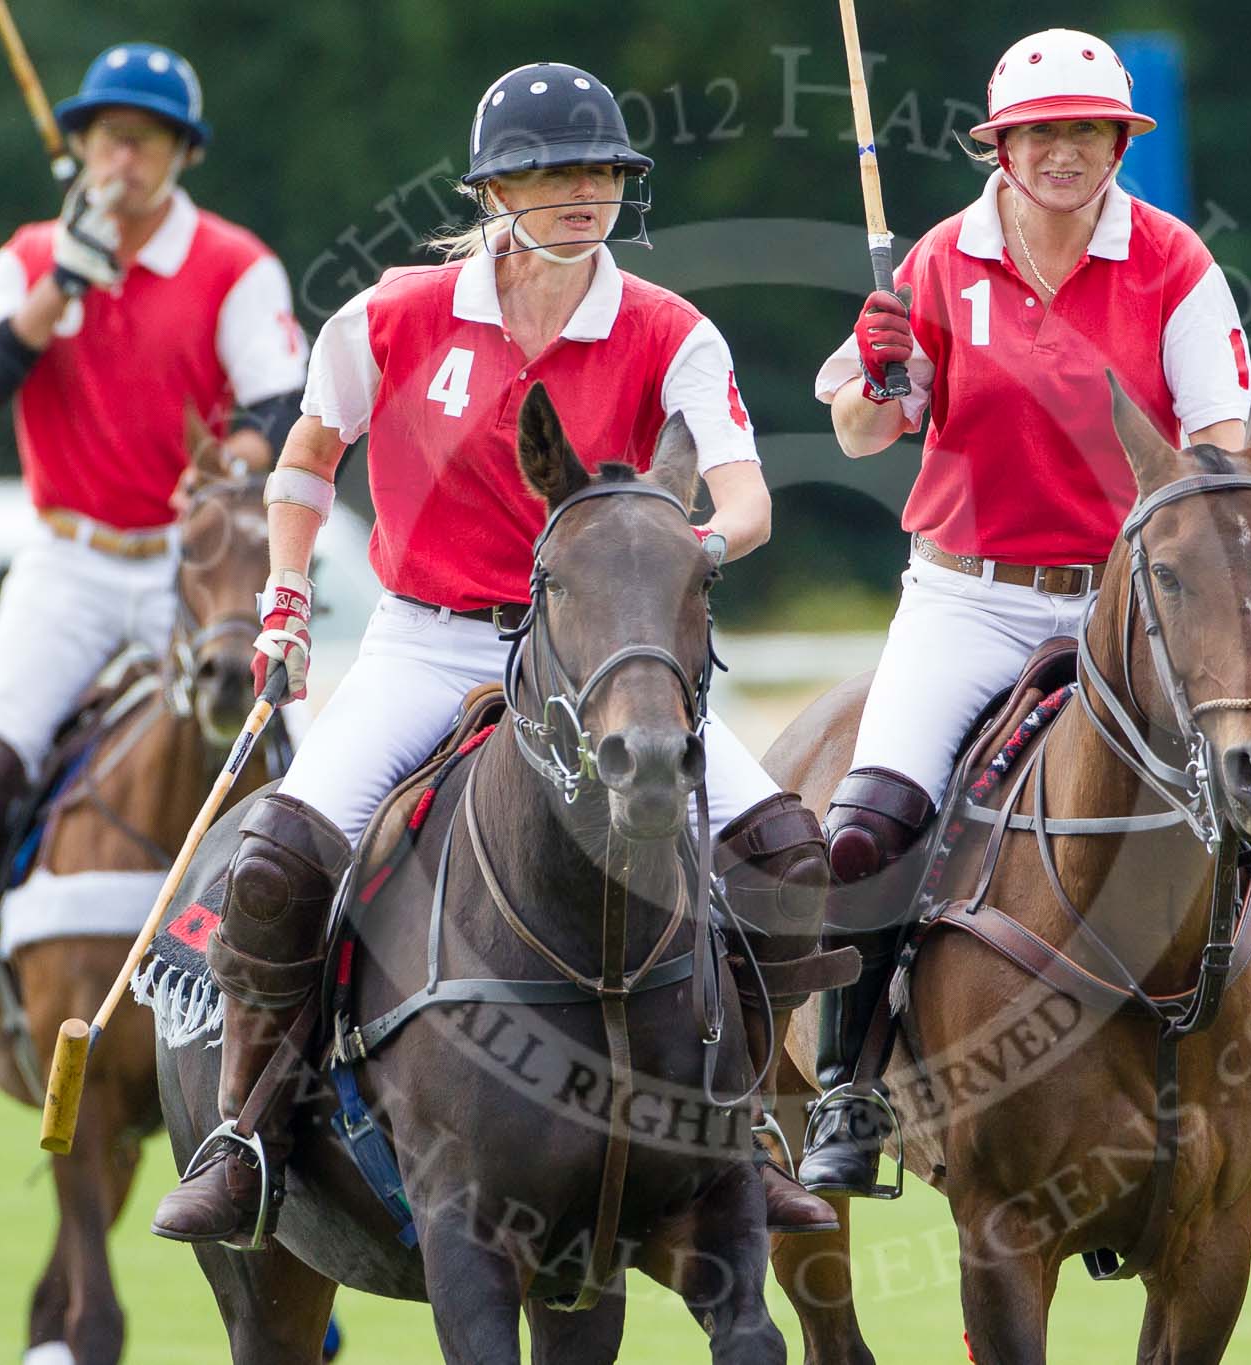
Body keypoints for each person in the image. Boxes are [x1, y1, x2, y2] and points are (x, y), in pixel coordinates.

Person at [149, 61, 840, 1244]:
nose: (583, 196)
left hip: (599, 662)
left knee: (784, 852)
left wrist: (668, 554)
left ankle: (745, 1121)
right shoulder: (390, 316)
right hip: (426, 645)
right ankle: (248, 1132)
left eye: (602, 174)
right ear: (492, 191)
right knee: (269, 867)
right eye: (550, 174)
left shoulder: (669, 330)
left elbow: (746, 501)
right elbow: (307, 460)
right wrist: (281, 597)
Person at [798, 28, 1251, 1195]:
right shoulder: (937, 261)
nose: (1064, 152)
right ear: (1001, 146)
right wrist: (873, 371)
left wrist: (1188, 538)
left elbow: (1222, 445)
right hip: (970, 596)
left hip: (1139, 602)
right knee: (862, 830)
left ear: (1119, 140)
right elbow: (865, 426)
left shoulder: (1168, 261)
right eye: (1040, 133)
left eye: (1086, 131)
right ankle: (848, 1088)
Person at [0, 42, 306, 1085]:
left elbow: (281, 407)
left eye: (145, 139)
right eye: (108, 136)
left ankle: (311, 990)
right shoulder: (29, 257)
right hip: (67, 561)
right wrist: (54, 293)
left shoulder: (231, 264)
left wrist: (226, 470)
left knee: (277, 757)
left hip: (191, 562)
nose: (124, 156)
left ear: (179, 155)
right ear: (81, 147)